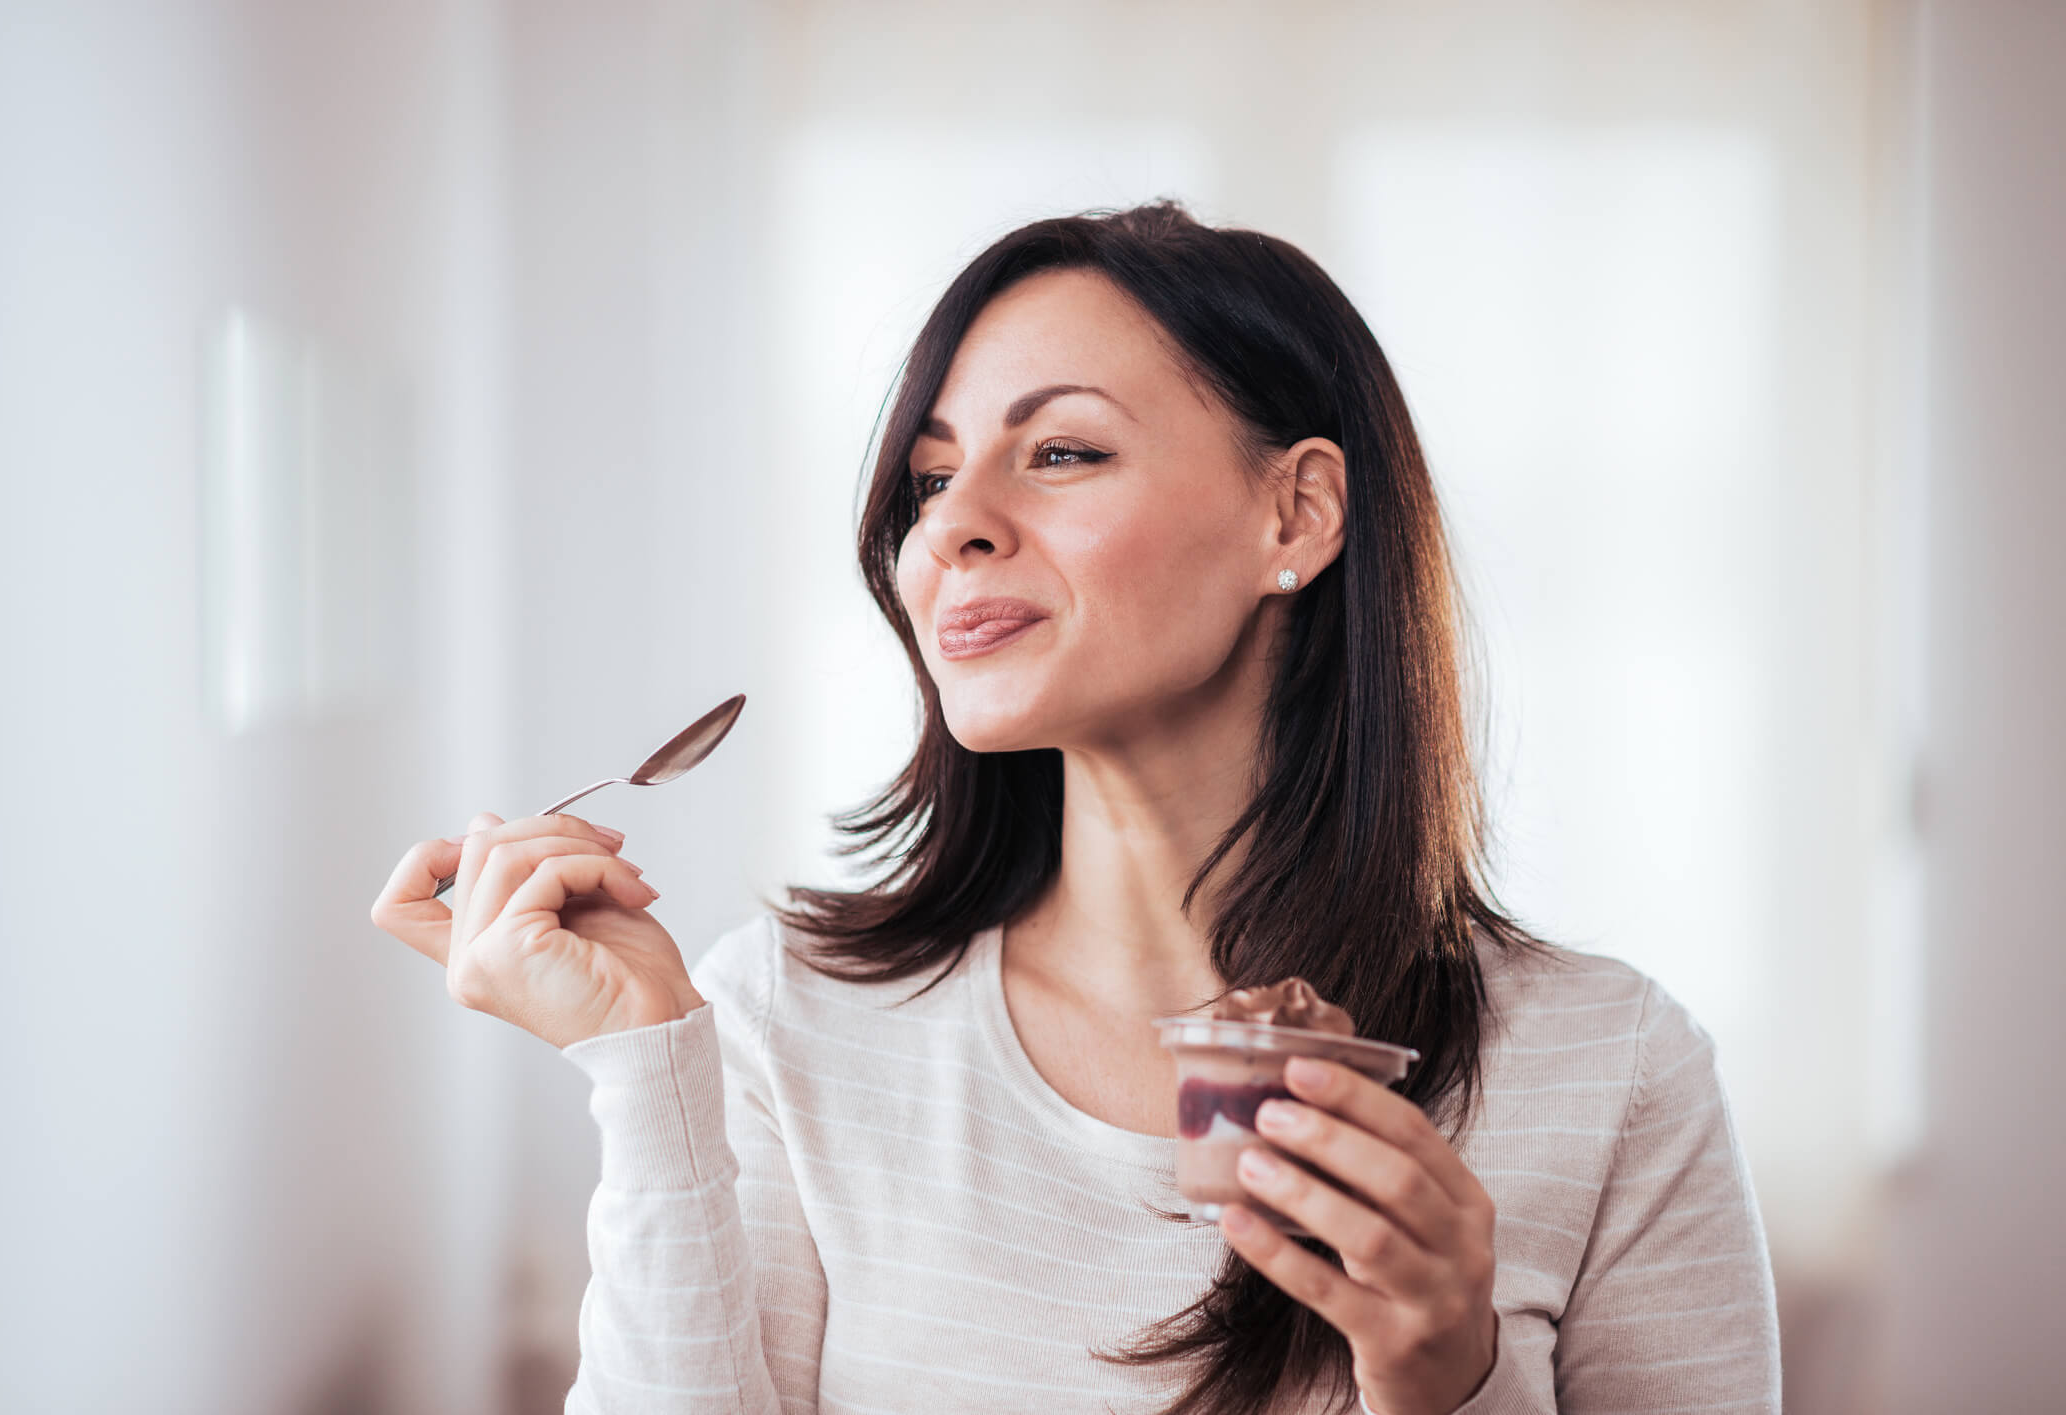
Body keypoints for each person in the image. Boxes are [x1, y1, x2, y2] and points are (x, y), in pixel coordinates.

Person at [372, 200, 1781, 1414]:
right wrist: (646, 1074)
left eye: (1061, 453)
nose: (951, 525)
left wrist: (1453, 1382)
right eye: (931, 477)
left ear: (1294, 517)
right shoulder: (782, 1027)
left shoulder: (1615, 1074)